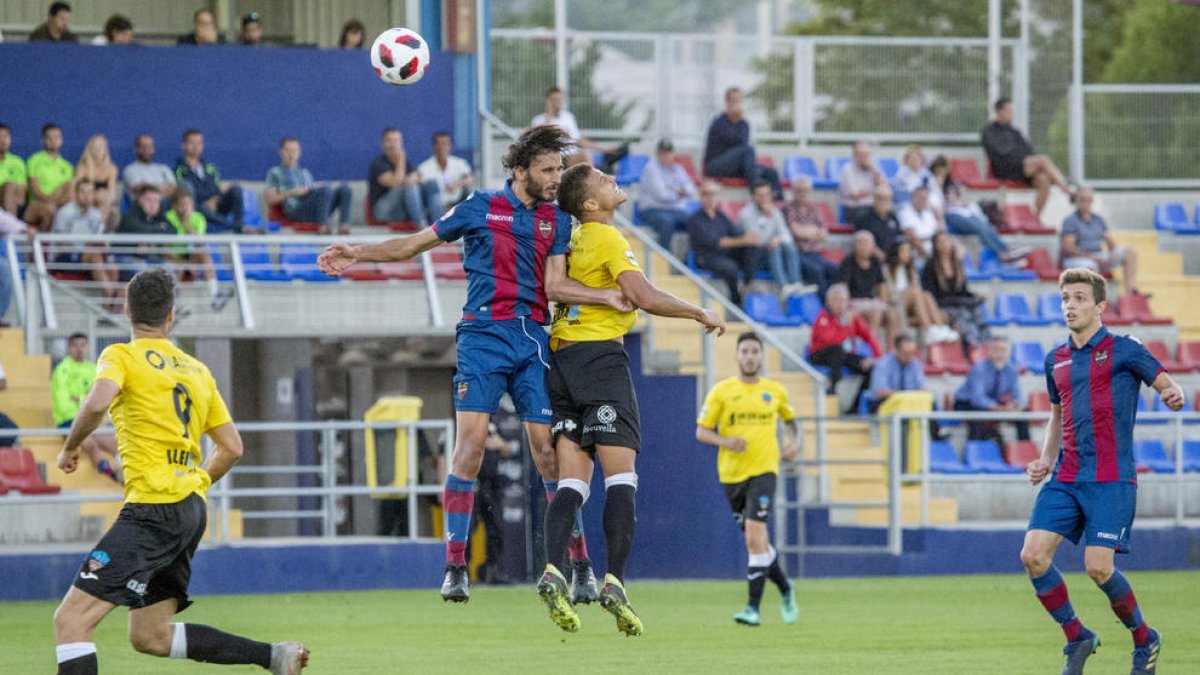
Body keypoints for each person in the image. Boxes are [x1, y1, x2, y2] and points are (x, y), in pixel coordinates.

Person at [319, 126, 632, 604]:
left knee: (549, 455)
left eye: (559, 169)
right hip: (482, 337)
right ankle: (455, 567)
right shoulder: (477, 205)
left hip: (532, 340)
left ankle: (581, 566)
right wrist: (355, 252)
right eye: (547, 169)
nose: (556, 178)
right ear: (519, 170)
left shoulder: (558, 220)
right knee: (469, 448)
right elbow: (413, 244)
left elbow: (561, 281)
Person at [52, 269, 309, 675]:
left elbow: (98, 404)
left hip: (151, 509)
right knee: (150, 636)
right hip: (190, 509)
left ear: (126, 309)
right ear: (171, 316)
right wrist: (197, 484)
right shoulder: (196, 370)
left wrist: (69, 448)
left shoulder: (120, 356)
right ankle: (273, 656)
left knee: (71, 622)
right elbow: (232, 448)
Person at [536, 162, 725, 636]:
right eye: (602, 178)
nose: (610, 178)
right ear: (590, 205)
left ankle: (553, 570)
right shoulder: (604, 237)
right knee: (622, 477)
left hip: (560, 362)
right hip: (601, 363)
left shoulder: (568, 240)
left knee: (572, 484)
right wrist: (696, 310)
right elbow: (640, 294)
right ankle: (615, 581)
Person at [1020, 268, 1183, 675]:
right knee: (1033, 555)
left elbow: (1163, 381)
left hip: (1111, 478)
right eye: (1064, 298)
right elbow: (1057, 415)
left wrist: (1170, 392)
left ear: (1099, 306)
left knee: (1098, 567)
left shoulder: (1125, 348)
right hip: (1067, 476)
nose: (1069, 306)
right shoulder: (1054, 358)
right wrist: (1045, 458)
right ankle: (1078, 636)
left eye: (1077, 298)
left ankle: (1144, 638)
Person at [695, 332, 798, 627]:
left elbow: (792, 423)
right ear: (737, 356)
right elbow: (701, 431)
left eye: (755, 351)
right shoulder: (722, 391)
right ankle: (786, 588)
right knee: (759, 542)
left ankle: (753, 608)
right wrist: (726, 442)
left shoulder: (775, 391)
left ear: (762, 356)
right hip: (731, 475)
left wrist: (795, 443)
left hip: (765, 470)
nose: (750, 356)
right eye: (745, 351)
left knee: (754, 538)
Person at [982, 98, 1074, 221]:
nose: (1011, 114)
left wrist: (1028, 161)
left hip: (1024, 168)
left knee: (1043, 180)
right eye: (1008, 111)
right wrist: (1026, 160)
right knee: (1043, 160)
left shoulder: (1014, 131)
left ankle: (1036, 218)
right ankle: (1067, 191)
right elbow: (1001, 153)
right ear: (999, 111)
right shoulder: (989, 132)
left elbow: (1028, 150)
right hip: (1005, 169)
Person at [52, 333, 120, 483]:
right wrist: (87, 398)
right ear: (69, 348)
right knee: (89, 444)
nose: (79, 349)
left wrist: (80, 398)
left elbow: (100, 398)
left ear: (87, 347)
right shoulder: (62, 370)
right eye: (75, 345)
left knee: (113, 442)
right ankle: (112, 476)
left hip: (90, 419)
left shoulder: (92, 368)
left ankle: (125, 473)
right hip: (69, 421)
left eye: (82, 345)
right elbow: (64, 405)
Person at [685, 180, 764, 308]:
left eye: (713, 194)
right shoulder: (695, 219)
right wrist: (744, 240)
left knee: (753, 248)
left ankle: (748, 287)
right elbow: (716, 242)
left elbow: (734, 234)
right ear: (701, 196)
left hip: (725, 254)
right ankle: (736, 300)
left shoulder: (721, 216)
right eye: (707, 194)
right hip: (706, 257)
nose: (710, 197)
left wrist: (748, 237)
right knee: (730, 267)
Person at [807, 283, 880, 411]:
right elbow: (830, 341)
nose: (840, 304)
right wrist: (843, 325)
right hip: (821, 353)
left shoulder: (852, 318)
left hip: (842, 354)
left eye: (843, 300)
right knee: (837, 350)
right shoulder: (823, 318)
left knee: (870, 368)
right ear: (828, 301)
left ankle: (855, 406)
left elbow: (869, 336)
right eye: (836, 300)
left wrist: (876, 357)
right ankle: (832, 387)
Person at [702, 87, 782, 199]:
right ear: (727, 102)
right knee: (748, 149)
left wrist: (739, 120)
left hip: (736, 166)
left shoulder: (744, 124)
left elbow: (742, 146)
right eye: (734, 100)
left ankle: (776, 207)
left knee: (771, 172)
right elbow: (734, 142)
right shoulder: (719, 123)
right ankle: (756, 192)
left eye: (739, 100)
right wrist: (736, 118)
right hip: (716, 166)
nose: (737, 104)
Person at [1060, 186, 1140, 297]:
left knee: (1129, 252)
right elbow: (1069, 248)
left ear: (1092, 200)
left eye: (1088, 199)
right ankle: (1094, 300)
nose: (1085, 202)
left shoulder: (1098, 219)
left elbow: (1110, 242)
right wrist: (1092, 258)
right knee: (1089, 266)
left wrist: (1111, 255)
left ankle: (1130, 293)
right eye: (1082, 199)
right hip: (1078, 258)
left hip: (1097, 255)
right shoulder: (1070, 221)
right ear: (1076, 201)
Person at [164, 190, 234, 311]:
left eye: (189, 204)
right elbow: (162, 247)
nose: (186, 208)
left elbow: (199, 243)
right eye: (182, 204)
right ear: (174, 206)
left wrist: (187, 225)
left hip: (191, 257)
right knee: (178, 267)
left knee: (204, 254)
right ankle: (173, 305)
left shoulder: (198, 218)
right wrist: (180, 262)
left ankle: (215, 296)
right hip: (172, 257)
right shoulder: (167, 217)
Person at [265, 137, 352, 234]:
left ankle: (344, 227)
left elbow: (314, 194)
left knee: (344, 188)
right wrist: (292, 192)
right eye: (288, 150)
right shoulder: (275, 172)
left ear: (299, 152)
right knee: (325, 190)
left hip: (313, 207)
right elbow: (271, 199)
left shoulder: (305, 173)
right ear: (281, 152)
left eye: (294, 150)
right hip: (296, 210)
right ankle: (322, 227)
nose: (291, 154)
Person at [953, 335, 1030, 442]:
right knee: (978, 414)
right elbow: (977, 398)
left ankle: (1025, 449)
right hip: (966, 402)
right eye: (996, 349)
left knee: (1024, 412)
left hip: (993, 403)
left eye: (1003, 350)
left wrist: (1014, 405)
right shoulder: (979, 368)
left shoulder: (1012, 369)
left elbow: (1017, 395)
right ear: (989, 351)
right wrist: (998, 408)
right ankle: (975, 450)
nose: (1000, 353)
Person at [530, 87, 627, 171]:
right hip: (554, 156)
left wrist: (603, 149)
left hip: (572, 155)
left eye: (560, 99)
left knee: (586, 154)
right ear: (548, 101)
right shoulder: (539, 120)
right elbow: (538, 140)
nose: (558, 103)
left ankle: (602, 166)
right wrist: (549, 115)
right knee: (585, 157)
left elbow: (578, 140)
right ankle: (600, 170)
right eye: (554, 100)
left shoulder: (568, 117)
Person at [921, 231, 991, 349]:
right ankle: (974, 346)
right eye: (941, 242)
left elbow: (963, 290)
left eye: (946, 241)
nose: (945, 245)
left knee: (977, 314)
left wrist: (975, 296)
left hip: (959, 302)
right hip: (944, 305)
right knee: (962, 316)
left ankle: (987, 345)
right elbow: (931, 294)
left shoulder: (957, 264)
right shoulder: (930, 266)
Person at [52, 180, 117, 300]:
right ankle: (112, 296)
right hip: (63, 256)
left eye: (90, 192)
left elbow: (99, 238)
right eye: (82, 192)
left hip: (88, 255)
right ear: (76, 194)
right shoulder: (65, 212)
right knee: (94, 256)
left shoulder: (96, 214)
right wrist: (84, 249)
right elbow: (61, 244)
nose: (86, 195)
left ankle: (108, 309)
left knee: (113, 268)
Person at [738, 181, 805, 292]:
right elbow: (756, 240)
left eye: (766, 195)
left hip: (771, 251)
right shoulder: (746, 214)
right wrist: (769, 218)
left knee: (789, 247)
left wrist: (777, 238)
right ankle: (783, 286)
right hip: (752, 256)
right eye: (760, 195)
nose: (764, 198)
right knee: (775, 247)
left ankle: (795, 283)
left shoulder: (775, 212)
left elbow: (787, 236)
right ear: (754, 197)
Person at [884, 241, 956, 344]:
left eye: (909, 251)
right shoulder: (886, 270)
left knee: (927, 295)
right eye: (904, 251)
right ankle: (929, 330)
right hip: (896, 301)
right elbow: (888, 293)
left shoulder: (911, 270)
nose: (907, 254)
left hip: (913, 302)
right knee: (916, 293)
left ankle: (941, 328)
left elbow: (918, 288)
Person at [368, 128, 440, 227]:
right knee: (409, 186)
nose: (393, 145)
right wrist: (401, 159)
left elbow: (418, 177)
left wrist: (414, 178)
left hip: (403, 209)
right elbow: (395, 183)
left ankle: (440, 225)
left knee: (431, 184)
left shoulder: (407, 163)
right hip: (383, 211)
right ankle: (421, 224)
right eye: (389, 140)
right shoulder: (378, 164)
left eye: (396, 141)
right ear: (383, 143)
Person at [175, 130, 243, 234]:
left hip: (215, 207)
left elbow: (217, 188)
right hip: (199, 209)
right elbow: (186, 194)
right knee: (197, 207)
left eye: (199, 143)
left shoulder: (211, 168)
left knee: (236, 189)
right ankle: (236, 227)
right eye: (192, 143)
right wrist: (205, 203)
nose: (196, 146)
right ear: (183, 145)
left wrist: (216, 199)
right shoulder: (178, 171)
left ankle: (239, 225)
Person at [781, 177, 839, 296]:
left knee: (835, 270)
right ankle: (825, 307)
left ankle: (836, 305)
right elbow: (795, 232)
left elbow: (823, 234)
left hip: (814, 253)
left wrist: (806, 232)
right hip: (797, 254)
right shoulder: (787, 209)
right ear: (793, 191)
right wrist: (812, 230)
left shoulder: (814, 209)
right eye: (799, 190)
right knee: (816, 272)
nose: (802, 194)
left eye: (805, 191)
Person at [636, 138, 697, 251]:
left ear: (673, 153)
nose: (666, 155)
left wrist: (677, 191)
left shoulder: (678, 169)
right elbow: (662, 195)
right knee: (666, 222)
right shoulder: (651, 168)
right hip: (652, 210)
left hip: (675, 210)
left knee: (695, 220)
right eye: (662, 152)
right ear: (658, 154)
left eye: (668, 152)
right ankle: (663, 259)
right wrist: (680, 194)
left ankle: (691, 259)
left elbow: (691, 190)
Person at [840, 231, 896, 346]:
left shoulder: (875, 262)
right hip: (855, 302)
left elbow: (881, 285)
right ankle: (873, 347)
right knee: (876, 312)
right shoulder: (848, 262)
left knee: (892, 313)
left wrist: (882, 302)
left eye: (866, 242)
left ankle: (892, 349)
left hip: (871, 301)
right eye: (859, 242)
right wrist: (845, 306)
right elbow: (843, 286)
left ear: (873, 245)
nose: (863, 246)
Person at [24, 123, 75, 232]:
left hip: (59, 205)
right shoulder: (34, 160)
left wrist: (56, 203)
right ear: (43, 140)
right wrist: (50, 202)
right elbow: (35, 189)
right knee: (50, 210)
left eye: (56, 137)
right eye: (49, 138)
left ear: (61, 140)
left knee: (69, 186)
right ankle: (41, 246)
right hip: (37, 205)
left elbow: (69, 193)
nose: (53, 141)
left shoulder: (68, 166)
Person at [416, 131, 474, 217]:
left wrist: (457, 184)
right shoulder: (424, 167)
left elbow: (469, 179)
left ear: (450, 146)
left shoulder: (459, 163)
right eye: (439, 144)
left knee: (470, 191)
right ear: (434, 146)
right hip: (435, 208)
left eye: (445, 144)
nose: (442, 147)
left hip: (457, 204)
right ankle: (439, 226)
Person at [867, 334, 925, 413]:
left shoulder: (915, 364)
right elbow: (881, 392)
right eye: (906, 353)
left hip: (909, 402)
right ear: (897, 351)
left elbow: (920, 388)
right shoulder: (883, 364)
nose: (909, 356)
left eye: (912, 353)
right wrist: (903, 397)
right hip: (885, 402)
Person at [75, 135, 119, 231]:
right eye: (95, 147)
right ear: (89, 150)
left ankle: (99, 230)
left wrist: (101, 197)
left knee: (103, 195)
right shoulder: (82, 167)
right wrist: (92, 197)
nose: (97, 150)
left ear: (105, 150)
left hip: (104, 201)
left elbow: (112, 193)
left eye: (100, 147)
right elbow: (77, 188)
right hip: (86, 198)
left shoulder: (111, 168)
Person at [838, 141, 885, 227]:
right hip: (855, 209)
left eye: (867, 155)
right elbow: (855, 195)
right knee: (871, 217)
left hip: (874, 207)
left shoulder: (873, 168)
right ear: (854, 155)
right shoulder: (847, 169)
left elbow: (884, 189)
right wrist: (875, 192)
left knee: (890, 214)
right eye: (861, 155)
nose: (864, 158)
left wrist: (875, 172)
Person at [122, 135, 177, 202]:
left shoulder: (163, 168)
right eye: (144, 147)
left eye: (150, 147)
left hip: (166, 202)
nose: (147, 150)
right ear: (137, 149)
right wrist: (159, 188)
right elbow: (140, 188)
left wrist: (157, 188)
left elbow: (174, 186)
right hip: (143, 205)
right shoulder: (130, 170)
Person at [896, 185, 942, 262]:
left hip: (934, 253)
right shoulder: (905, 212)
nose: (922, 201)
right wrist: (929, 256)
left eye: (925, 199)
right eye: (920, 197)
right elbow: (912, 238)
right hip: (917, 255)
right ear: (913, 197)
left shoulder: (928, 213)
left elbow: (939, 233)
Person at [856, 187, 902, 259]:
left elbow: (899, 239)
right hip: (873, 260)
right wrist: (884, 258)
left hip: (892, 261)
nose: (882, 202)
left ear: (891, 201)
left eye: (886, 199)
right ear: (874, 199)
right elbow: (863, 243)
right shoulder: (864, 218)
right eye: (879, 198)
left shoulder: (893, 218)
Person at [0, 123, 28, 216]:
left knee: (10, 187)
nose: (3, 140)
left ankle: (10, 226)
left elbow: (21, 195)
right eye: (0, 137)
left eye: (6, 136)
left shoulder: (17, 162)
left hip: (11, 203)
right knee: (9, 186)